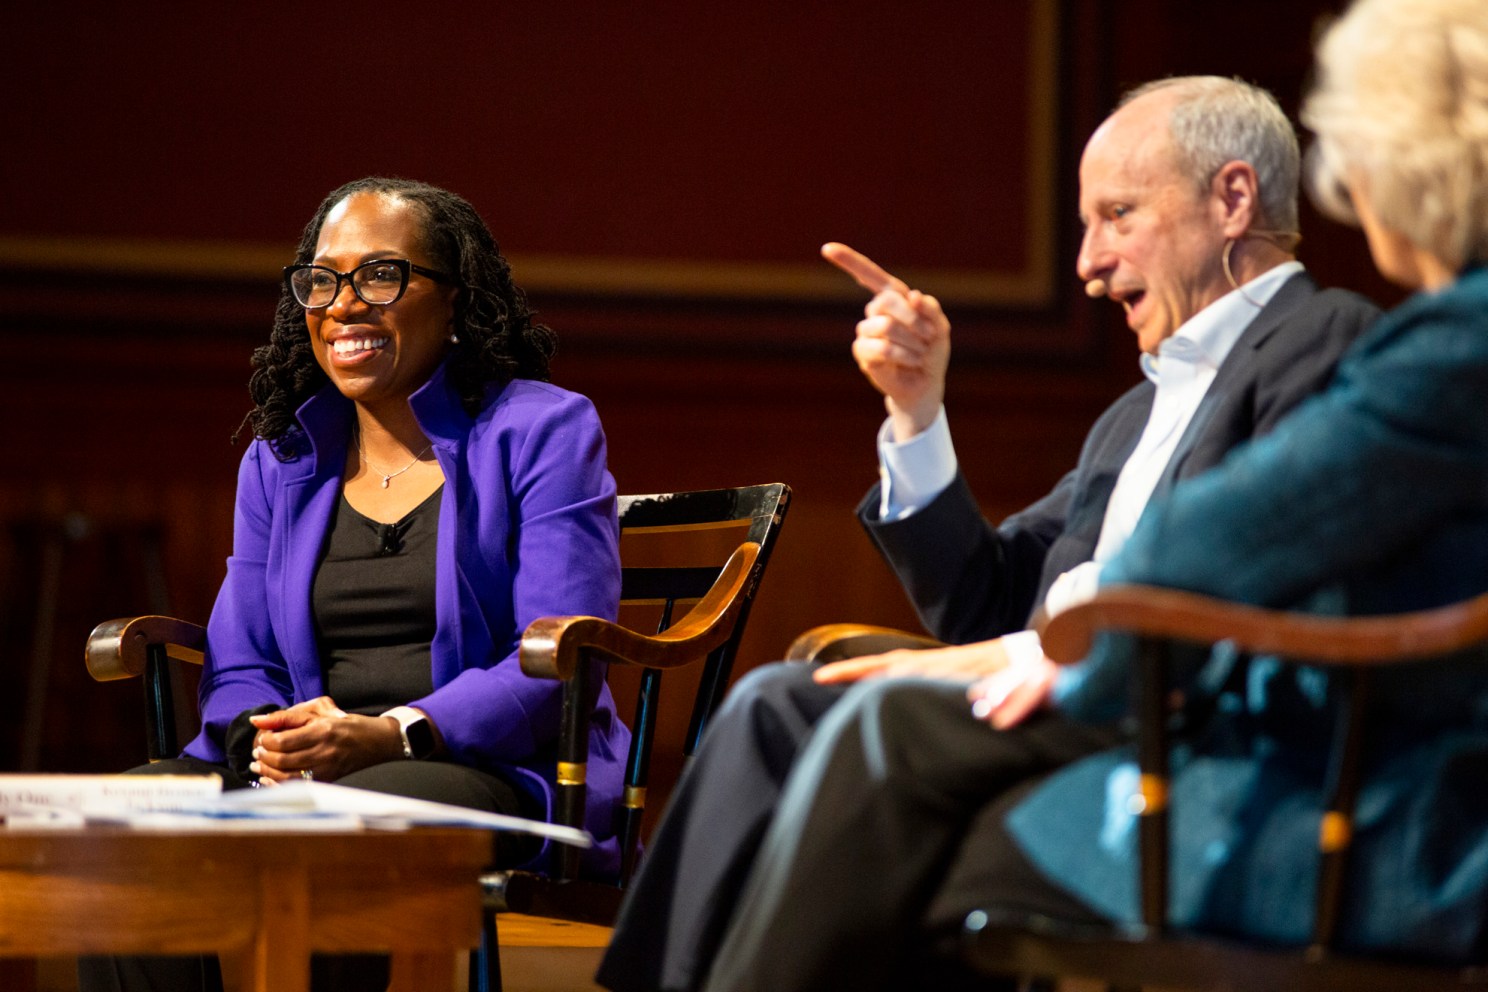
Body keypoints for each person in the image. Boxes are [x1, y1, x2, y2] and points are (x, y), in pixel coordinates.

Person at [686, 1, 1488, 989]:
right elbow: (985, 595)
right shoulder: (1129, 412)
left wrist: (1064, 652)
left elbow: (1237, 547)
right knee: (789, 710)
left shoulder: (1350, 342)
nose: (1086, 265)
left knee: (887, 774)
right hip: (1147, 706)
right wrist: (917, 413)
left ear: (1233, 199)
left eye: (1117, 217)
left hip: (1258, 756)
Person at [80, 176, 630, 992]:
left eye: (381, 275)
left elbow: (552, 657)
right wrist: (269, 743)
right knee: (121, 826)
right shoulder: (283, 458)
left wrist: (393, 732)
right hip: (307, 775)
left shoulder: (542, 429)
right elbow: (239, 660)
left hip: (486, 771)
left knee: (345, 821)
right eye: (324, 279)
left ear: (455, 303)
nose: (345, 304)